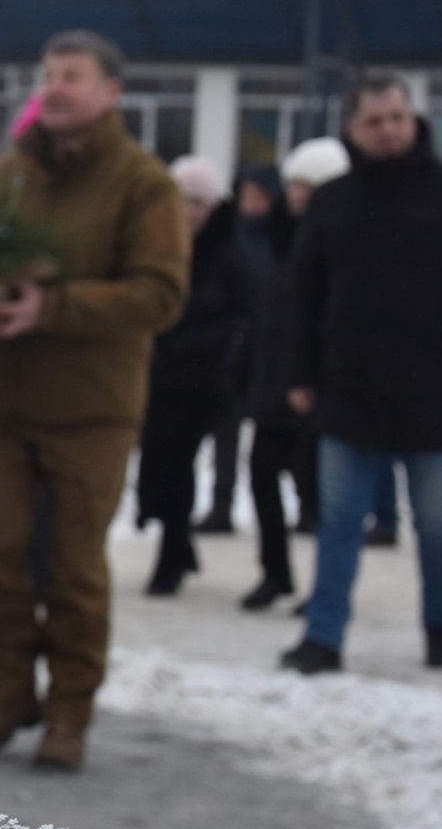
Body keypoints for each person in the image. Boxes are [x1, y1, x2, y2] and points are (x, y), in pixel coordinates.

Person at [0, 30, 188, 772]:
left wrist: (50, 309)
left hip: (93, 408)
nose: (55, 88)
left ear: (111, 92)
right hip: (9, 402)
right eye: (48, 75)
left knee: (73, 566)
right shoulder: (10, 175)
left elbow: (160, 293)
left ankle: (69, 712)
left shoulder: (142, 183)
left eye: (73, 77)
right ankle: (9, 690)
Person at [281, 75, 442, 674]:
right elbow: (305, 297)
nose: (389, 130)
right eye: (375, 121)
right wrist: (299, 373)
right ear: (353, 130)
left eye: (398, 118)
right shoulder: (334, 203)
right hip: (348, 389)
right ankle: (323, 636)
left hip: (433, 389)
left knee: (439, 523)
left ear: (413, 121)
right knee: (337, 521)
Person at [135, 156, 251, 596]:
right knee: (159, 461)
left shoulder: (229, 250)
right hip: (158, 374)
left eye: (199, 203)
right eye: (182, 201)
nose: (190, 212)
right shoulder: (158, 243)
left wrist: (189, 345)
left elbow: (240, 317)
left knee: (177, 463)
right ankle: (178, 543)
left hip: (205, 380)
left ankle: (170, 558)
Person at [236, 138, 339, 610]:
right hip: (273, 384)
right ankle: (274, 573)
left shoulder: (340, 248)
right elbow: (264, 317)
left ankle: (325, 587)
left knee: (316, 493)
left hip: (322, 392)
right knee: (261, 478)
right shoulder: (277, 242)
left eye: (309, 186)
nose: (298, 194)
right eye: (294, 184)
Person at [195, 166, 284, 535]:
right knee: (224, 431)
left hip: (273, 349)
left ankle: (302, 506)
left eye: (259, 194)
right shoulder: (229, 235)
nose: (252, 202)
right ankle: (221, 505)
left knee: (277, 434)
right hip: (233, 348)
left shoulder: (283, 235)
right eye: (246, 193)